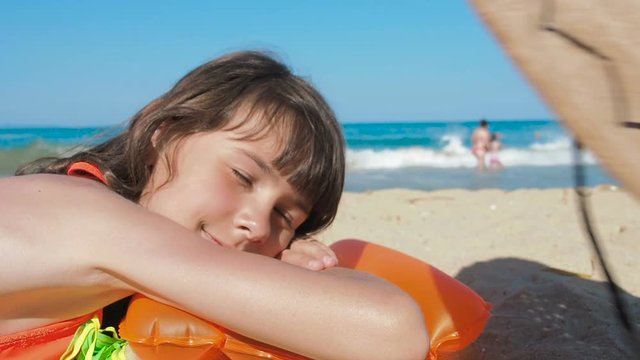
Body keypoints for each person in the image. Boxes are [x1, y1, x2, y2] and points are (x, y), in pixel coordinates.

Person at [0, 51, 428, 360]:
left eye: (286, 217)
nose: (257, 226)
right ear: (162, 134)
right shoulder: (89, 223)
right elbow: (393, 333)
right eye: (242, 177)